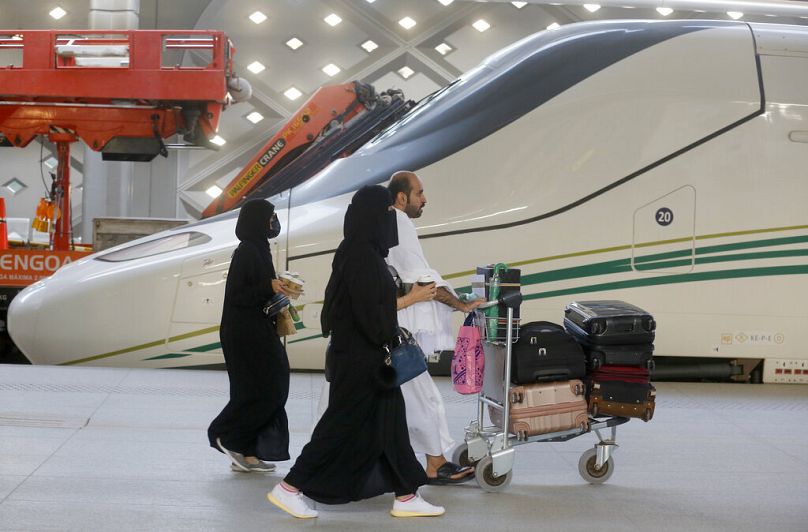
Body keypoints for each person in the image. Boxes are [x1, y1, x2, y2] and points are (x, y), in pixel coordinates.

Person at [267, 185, 444, 519]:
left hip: (366, 359)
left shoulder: (360, 251)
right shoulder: (362, 257)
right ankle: (290, 487)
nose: (392, 218)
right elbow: (370, 314)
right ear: (373, 215)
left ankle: (406, 495)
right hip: (361, 359)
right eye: (388, 212)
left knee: (391, 426)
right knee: (340, 424)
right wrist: (392, 327)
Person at [387, 170, 484, 485]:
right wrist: (461, 304)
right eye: (420, 192)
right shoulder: (399, 222)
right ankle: (435, 463)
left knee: (409, 399)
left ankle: (431, 460)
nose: (424, 199)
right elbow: (422, 278)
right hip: (396, 333)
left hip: (383, 329)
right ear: (402, 197)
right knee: (424, 397)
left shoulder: (383, 223)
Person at [208, 198, 292, 473]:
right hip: (245, 332)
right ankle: (225, 433)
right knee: (268, 388)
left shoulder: (259, 249)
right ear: (258, 220)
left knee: (257, 388)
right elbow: (239, 295)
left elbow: (256, 289)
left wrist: (276, 288)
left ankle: (247, 451)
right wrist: (267, 285)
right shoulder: (247, 251)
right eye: (270, 217)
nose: (273, 222)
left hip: (254, 328)